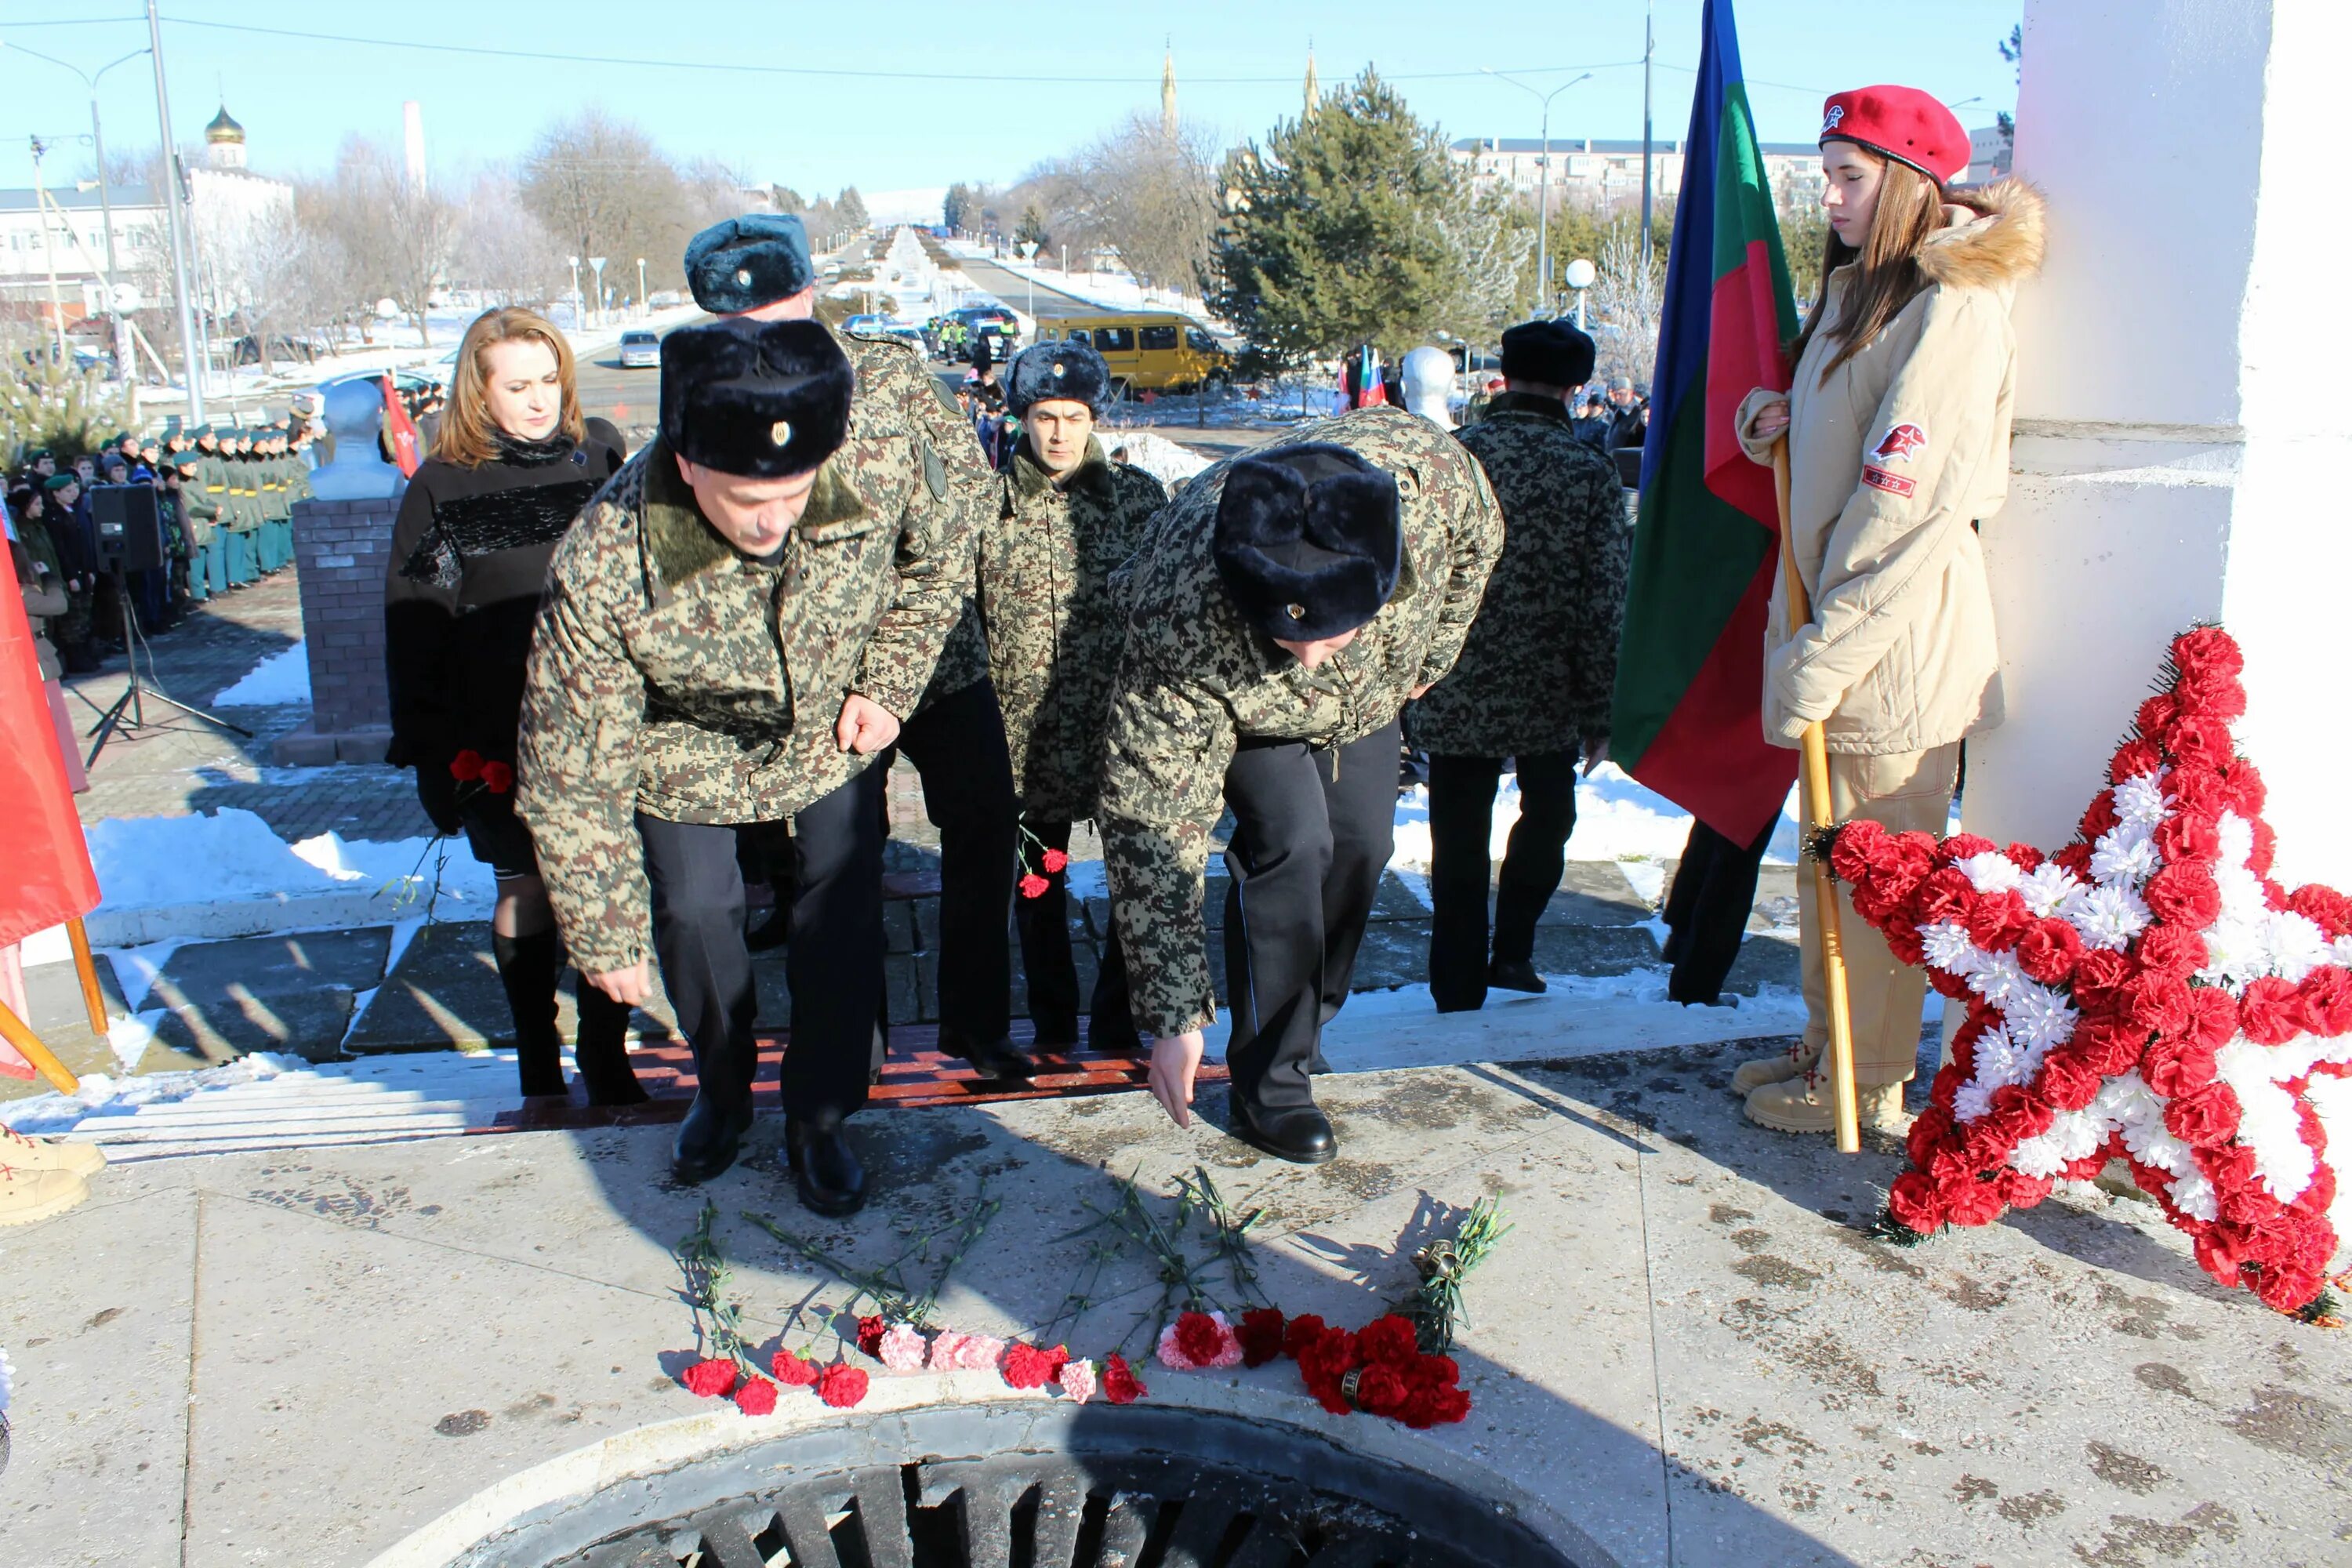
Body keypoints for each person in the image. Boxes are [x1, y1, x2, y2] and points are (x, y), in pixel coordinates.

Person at [519, 275, 985, 1212]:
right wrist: (602, 926)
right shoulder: (608, 559)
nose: (773, 521)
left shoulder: (870, 460)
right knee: (693, 914)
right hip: (682, 749)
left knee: (838, 908)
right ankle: (723, 1090)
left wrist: (889, 684)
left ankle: (822, 1114)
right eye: (744, 501)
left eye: (794, 494)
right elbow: (571, 765)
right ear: (687, 466)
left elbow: (944, 554)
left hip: (827, 725)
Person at [1731, 85, 2044, 1134]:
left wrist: (1824, 655)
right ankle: (1828, 1044)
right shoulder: (1868, 288)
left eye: (1847, 176)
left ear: (1907, 180)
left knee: (1873, 874)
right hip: (1840, 629)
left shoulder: (1952, 307)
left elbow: (1904, 510)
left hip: (1889, 642)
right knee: (1829, 859)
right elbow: (1846, 442)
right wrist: (1776, 421)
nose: (1826, 196)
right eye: (1825, 174)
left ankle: (1865, 1081)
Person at [1101, 408, 1503, 1163]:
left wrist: (1430, 660)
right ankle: (1273, 1084)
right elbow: (1150, 817)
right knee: (1294, 846)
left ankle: (1302, 1023)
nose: (1312, 657)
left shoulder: (1435, 485)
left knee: (1360, 844)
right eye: (1292, 634)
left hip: (1375, 693)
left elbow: (1482, 548)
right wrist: (1174, 1016)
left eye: (1333, 631)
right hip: (1242, 693)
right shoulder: (1183, 609)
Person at [687, 214, 1022, 1082]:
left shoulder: (892, 381)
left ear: (809, 293)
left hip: (935, 656)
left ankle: (978, 1024)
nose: (757, 338)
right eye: (737, 326)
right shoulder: (710, 399)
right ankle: (853, 1044)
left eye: (775, 311)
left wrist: (891, 675)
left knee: (985, 824)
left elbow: (960, 520)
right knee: (839, 864)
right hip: (819, 688)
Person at [385, 307, 646, 1109]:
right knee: (528, 887)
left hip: (608, 717)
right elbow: (414, 621)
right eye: (518, 385)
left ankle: (607, 1058)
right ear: (479, 389)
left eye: (549, 381)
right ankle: (539, 1060)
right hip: (497, 728)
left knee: (610, 884)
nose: (539, 400)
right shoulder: (442, 484)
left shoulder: (597, 453)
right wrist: (428, 751)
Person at [1406, 319, 1628, 1012]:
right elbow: (1604, 603)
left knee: (1458, 834)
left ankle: (1456, 978)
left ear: (1503, 373)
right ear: (1576, 386)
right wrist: (1600, 711)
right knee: (1549, 815)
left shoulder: (1457, 457)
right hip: (1548, 685)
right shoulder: (1588, 472)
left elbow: (1413, 574)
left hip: (1455, 676)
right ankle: (1514, 953)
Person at [989, 341, 1169, 1055]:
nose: (1058, 433)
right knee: (1038, 892)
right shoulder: (987, 509)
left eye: (1073, 416)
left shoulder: (1139, 499)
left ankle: (1119, 1018)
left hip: (1120, 734)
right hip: (1027, 747)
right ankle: (1054, 1020)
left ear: (1094, 417)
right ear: (1022, 419)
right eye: (1043, 416)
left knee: (1134, 884)